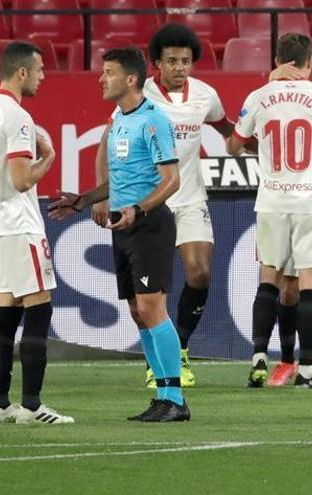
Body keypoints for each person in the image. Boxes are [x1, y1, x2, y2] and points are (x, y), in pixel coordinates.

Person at [93, 24, 237, 389]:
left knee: (200, 272)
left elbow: (228, 131)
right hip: (147, 203)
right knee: (147, 298)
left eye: (186, 61)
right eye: (171, 60)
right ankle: (159, 364)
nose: (179, 67)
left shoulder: (206, 95)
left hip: (188, 197)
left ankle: (181, 349)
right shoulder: (143, 95)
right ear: (157, 62)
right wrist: (103, 194)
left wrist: (261, 139)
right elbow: (107, 141)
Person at [50, 47, 189, 422]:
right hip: (123, 226)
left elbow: (172, 180)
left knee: (151, 308)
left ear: (131, 79)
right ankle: (162, 394)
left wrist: (138, 209)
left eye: (108, 72)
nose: (101, 78)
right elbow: (117, 181)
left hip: (148, 225)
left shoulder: (153, 121)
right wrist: (82, 200)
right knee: (136, 311)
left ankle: (175, 397)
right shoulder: (120, 122)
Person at [227, 33, 312, 389]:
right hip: (310, 200)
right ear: (310, 61)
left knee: (269, 278)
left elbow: (233, 145)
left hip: (271, 200)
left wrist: (267, 148)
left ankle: (258, 359)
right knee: (310, 284)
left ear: (276, 59)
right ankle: (306, 370)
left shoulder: (259, 97)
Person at [0, 41, 73, 425]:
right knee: (39, 305)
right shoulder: (17, 116)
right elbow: (19, 180)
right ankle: (32, 405)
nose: (43, 76)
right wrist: (48, 157)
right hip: (19, 225)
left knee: (7, 308)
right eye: (39, 69)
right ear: (21, 73)